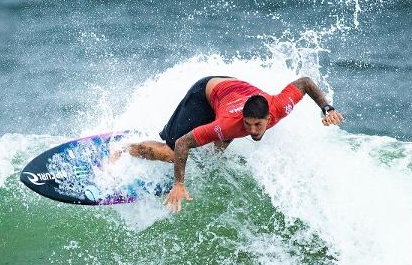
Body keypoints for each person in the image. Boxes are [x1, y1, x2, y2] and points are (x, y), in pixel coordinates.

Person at [120, 75, 343, 212]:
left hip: (231, 91)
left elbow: (304, 83)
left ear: (269, 118)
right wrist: (179, 183)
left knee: (216, 152)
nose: (253, 131)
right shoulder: (228, 124)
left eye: (257, 125)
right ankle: (125, 148)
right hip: (206, 93)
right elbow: (182, 143)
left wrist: (327, 109)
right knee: (171, 152)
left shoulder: (279, 106)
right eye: (248, 124)